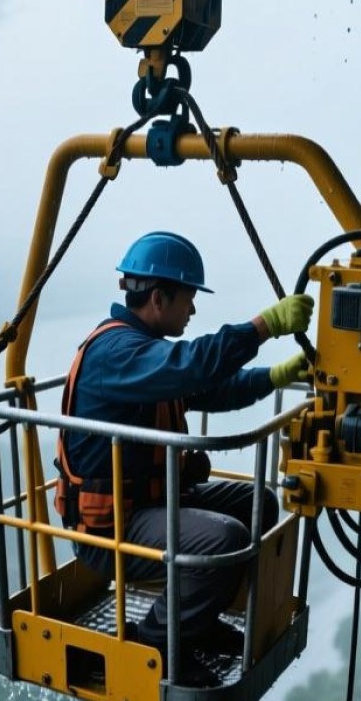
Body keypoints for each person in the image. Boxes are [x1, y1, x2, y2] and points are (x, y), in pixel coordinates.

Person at [53, 231, 312, 686]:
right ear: (158, 298)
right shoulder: (117, 354)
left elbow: (208, 386)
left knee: (259, 505)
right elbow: (192, 365)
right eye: (188, 300)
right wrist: (263, 326)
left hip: (146, 507)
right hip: (110, 527)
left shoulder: (143, 353)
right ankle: (158, 642)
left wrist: (272, 377)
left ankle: (196, 622)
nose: (192, 311)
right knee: (224, 538)